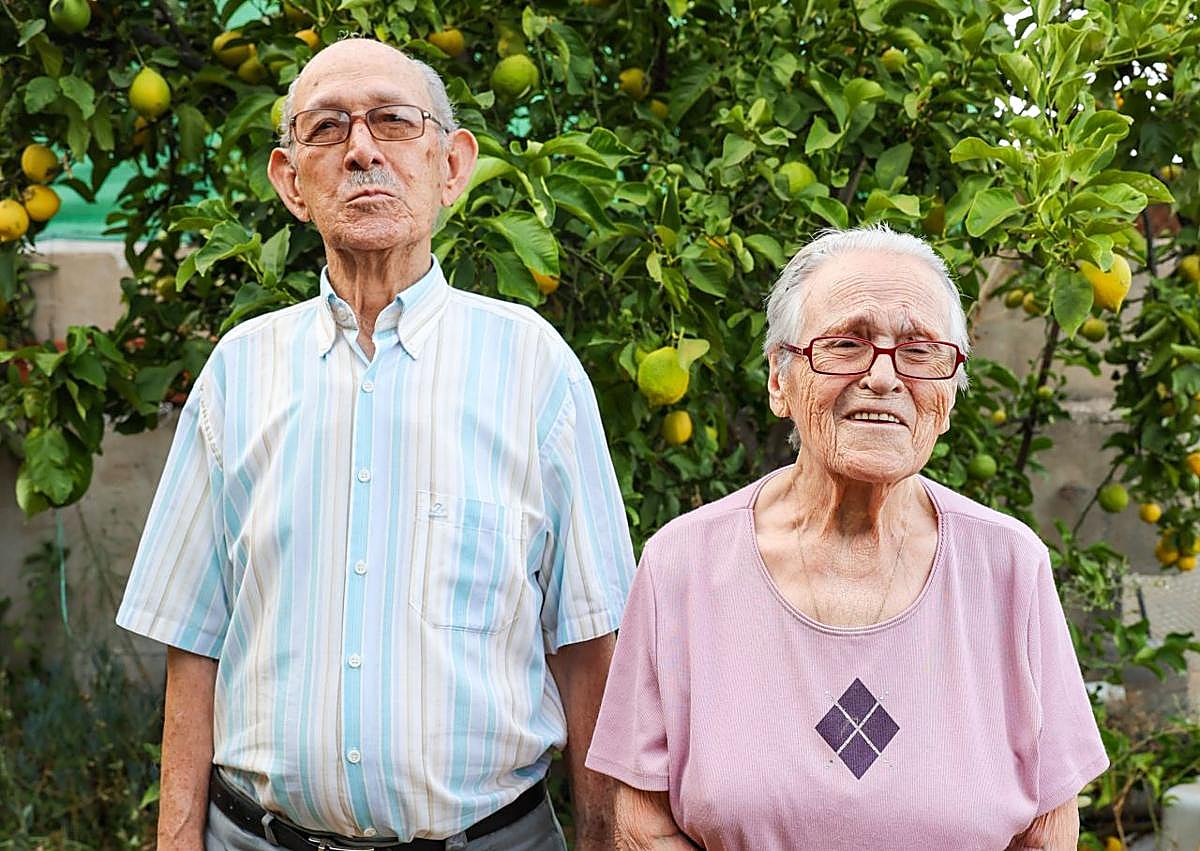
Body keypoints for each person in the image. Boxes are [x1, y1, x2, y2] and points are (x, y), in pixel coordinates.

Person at [117, 38, 635, 851]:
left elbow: (589, 648)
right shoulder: (238, 373)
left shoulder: (536, 371)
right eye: (327, 129)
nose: (362, 149)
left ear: (452, 167)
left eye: (394, 122)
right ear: (291, 182)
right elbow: (196, 643)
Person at [585, 225, 1109, 850]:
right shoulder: (684, 563)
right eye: (846, 344)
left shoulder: (1010, 566)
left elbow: (1050, 829)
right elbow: (641, 825)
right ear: (780, 380)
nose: (884, 378)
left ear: (948, 394)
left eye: (919, 352)